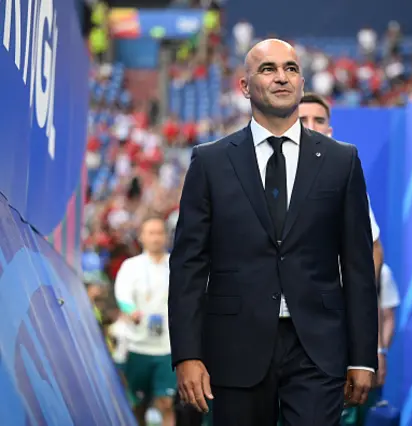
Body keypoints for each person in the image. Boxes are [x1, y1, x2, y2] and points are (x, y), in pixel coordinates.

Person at [169, 39, 378, 426]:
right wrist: (186, 354)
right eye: (268, 69)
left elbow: (358, 267)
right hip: (235, 347)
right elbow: (188, 266)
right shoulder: (210, 162)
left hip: (318, 348)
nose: (282, 77)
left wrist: (363, 355)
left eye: (291, 69)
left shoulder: (341, 161)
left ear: (301, 81)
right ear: (245, 86)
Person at [298, 92, 391, 426]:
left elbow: (372, 251)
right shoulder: (264, 175)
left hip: (330, 330)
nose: (311, 127)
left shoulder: (345, 175)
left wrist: (346, 297)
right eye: (302, 120)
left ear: (330, 129)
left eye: (318, 120)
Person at [115, 216, 176, 426]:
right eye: (151, 233)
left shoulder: (177, 265)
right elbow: (122, 294)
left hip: (167, 347)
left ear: (166, 236)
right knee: (138, 405)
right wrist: (131, 311)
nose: (156, 237)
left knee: (166, 402)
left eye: (160, 232)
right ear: (142, 237)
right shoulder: (131, 266)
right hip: (138, 346)